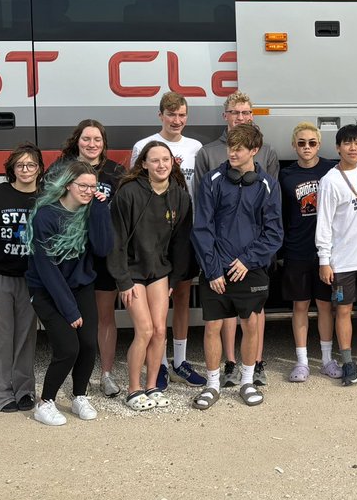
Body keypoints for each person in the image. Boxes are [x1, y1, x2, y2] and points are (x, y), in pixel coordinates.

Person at [190, 124, 283, 409]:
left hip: (250, 268)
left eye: (239, 148)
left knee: (251, 325)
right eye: (231, 146)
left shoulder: (268, 184)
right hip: (216, 269)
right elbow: (201, 229)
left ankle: (246, 381)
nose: (233, 152)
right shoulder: (212, 180)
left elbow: (274, 233)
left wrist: (248, 260)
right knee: (212, 327)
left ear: (254, 151)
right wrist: (213, 268)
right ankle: (213, 384)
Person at [26, 160, 115, 425]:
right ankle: (46, 402)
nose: (88, 190)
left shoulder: (91, 210)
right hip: (47, 289)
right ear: (67, 185)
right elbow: (46, 268)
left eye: (92, 186)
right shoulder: (45, 215)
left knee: (88, 343)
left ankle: (79, 396)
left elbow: (103, 248)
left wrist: (100, 209)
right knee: (68, 348)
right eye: (83, 186)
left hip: (81, 285)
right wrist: (69, 309)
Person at [129, 91, 207, 389]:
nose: (177, 120)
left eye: (182, 115)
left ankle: (180, 361)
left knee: (183, 296)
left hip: (184, 231)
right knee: (155, 305)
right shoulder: (144, 146)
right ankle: (158, 364)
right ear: (160, 115)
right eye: (171, 115)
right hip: (152, 235)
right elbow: (135, 185)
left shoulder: (196, 147)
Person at [109, 140, 194, 411]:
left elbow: (182, 241)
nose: (161, 165)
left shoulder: (180, 196)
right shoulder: (128, 193)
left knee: (159, 330)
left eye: (166, 160)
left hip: (160, 271)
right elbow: (117, 241)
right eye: (154, 160)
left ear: (173, 163)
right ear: (143, 164)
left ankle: (152, 386)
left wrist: (175, 278)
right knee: (144, 329)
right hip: (132, 271)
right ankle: (134, 389)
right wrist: (122, 280)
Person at [53, 120, 126, 397]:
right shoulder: (62, 170)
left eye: (97, 139)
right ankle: (75, 376)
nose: (91, 144)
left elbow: (122, 212)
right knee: (74, 317)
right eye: (86, 139)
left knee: (105, 316)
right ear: (77, 140)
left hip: (102, 253)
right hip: (71, 254)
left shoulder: (116, 172)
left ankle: (106, 374)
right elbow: (49, 203)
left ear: (104, 143)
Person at [0, 142, 44, 412]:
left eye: (31, 165)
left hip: (30, 278)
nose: (25, 170)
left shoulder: (45, 197)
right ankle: (0, 394)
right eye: (20, 165)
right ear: (11, 169)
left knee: (26, 336)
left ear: (39, 169)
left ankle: (24, 390)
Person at [316, 122, 357, 387]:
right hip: (342, 261)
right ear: (338, 148)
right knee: (342, 311)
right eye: (347, 143)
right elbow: (323, 223)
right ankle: (347, 363)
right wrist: (324, 260)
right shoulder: (330, 181)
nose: (353, 148)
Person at [279, 122, 338, 381]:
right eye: (301, 142)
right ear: (294, 145)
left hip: (326, 252)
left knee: (326, 306)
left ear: (319, 144)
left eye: (311, 142)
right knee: (300, 305)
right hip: (297, 250)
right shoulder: (286, 175)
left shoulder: (331, 169)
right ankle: (302, 362)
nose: (306, 147)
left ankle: (326, 360)